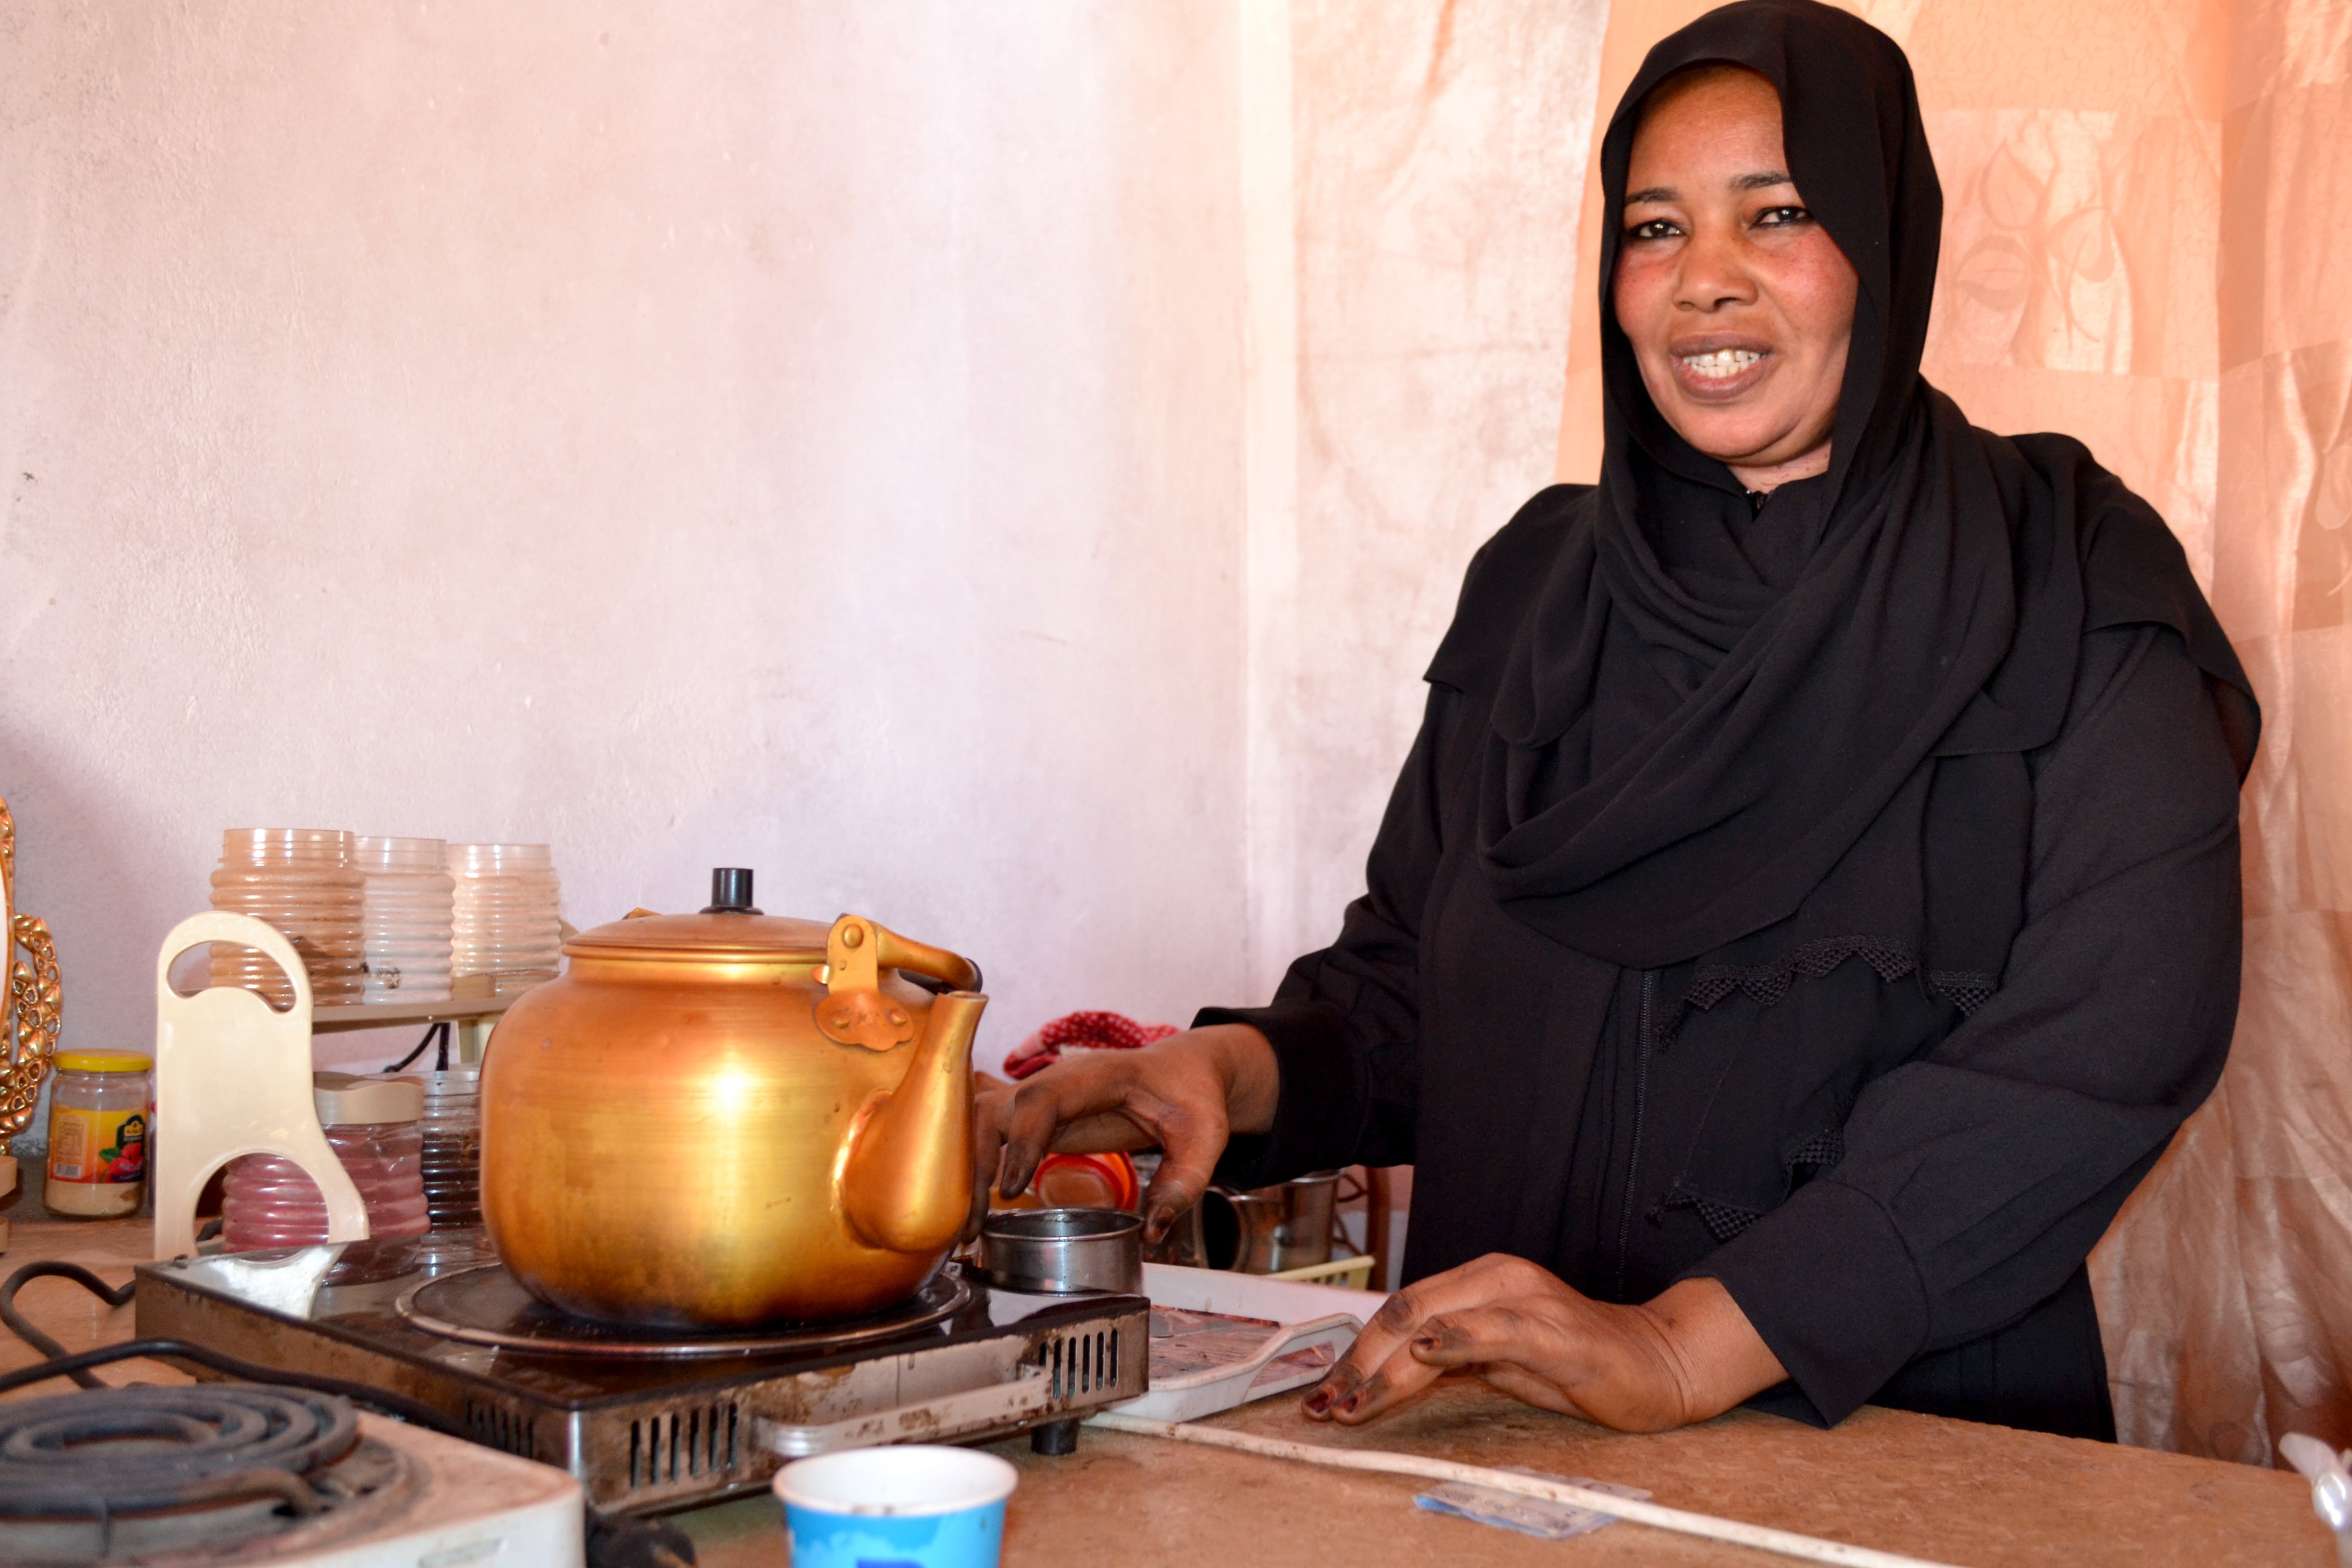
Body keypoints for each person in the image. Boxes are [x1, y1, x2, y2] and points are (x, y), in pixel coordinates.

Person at [972, 0, 2258, 1440]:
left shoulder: (2066, 578)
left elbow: (2102, 1048)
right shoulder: (1542, 589)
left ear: (1884, 242)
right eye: (1654, 231)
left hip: (1912, 1442)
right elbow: (1414, 991)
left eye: (1775, 214)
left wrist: (1679, 1347)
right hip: (1502, 1433)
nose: (1703, 282)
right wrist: (1228, 1071)